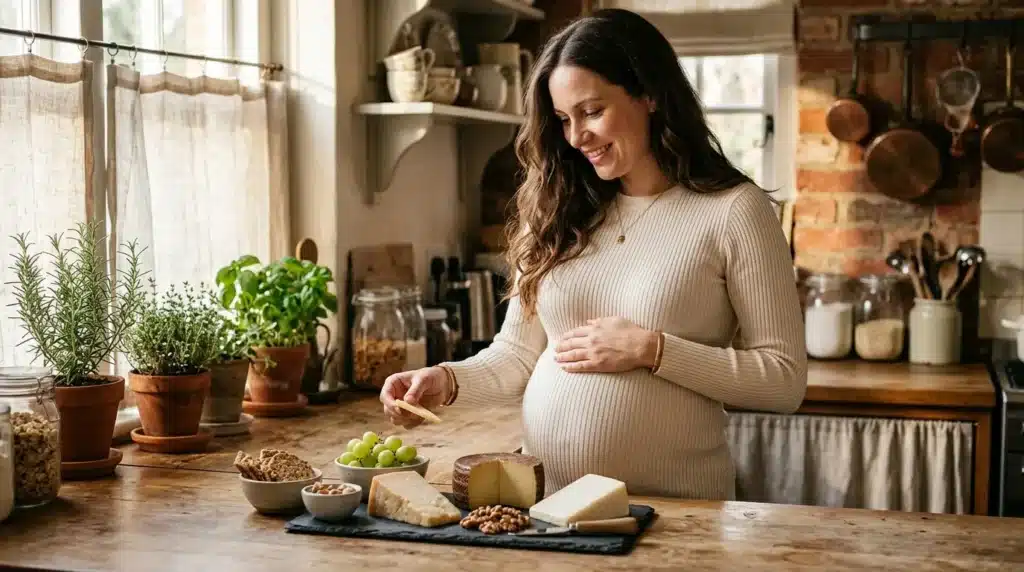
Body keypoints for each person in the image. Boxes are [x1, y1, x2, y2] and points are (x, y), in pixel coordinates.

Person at [380, 8, 806, 500]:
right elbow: (518, 355)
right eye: (563, 119)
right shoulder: (557, 211)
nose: (576, 137)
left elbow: (784, 380)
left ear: (649, 94)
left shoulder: (735, 211)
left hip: (676, 511)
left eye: (592, 111)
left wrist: (653, 350)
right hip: (548, 506)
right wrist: (446, 380)